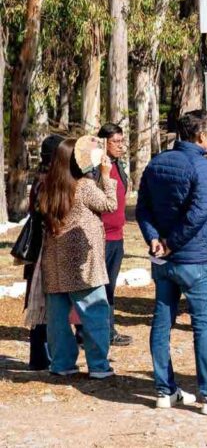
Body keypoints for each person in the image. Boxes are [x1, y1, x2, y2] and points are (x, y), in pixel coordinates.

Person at [137, 109, 207, 414]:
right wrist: (170, 243)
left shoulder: (156, 162)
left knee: (162, 322)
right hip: (194, 258)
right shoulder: (202, 166)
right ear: (202, 135)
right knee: (203, 326)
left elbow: (142, 208)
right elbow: (200, 213)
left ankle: (165, 390)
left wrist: (154, 240)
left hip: (162, 258)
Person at [38, 137, 118, 379]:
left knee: (58, 319)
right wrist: (106, 175)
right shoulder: (83, 186)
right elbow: (110, 205)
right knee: (95, 314)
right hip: (83, 263)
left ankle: (61, 363)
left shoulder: (48, 185)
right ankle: (98, 366)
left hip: (54, 261)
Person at [23, 134, 65, 371]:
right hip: (43, 250)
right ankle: (42, 357)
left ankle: (42, 356)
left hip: (42, 249)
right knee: (43, 305)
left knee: (44, 304)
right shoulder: (47, 182)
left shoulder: (44, 179)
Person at [96, 123, 132, 347]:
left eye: (122, 141)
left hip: (117, 236)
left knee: (110, 287)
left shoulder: (119, 166)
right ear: (103, 144)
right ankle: (92, 331)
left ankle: (108, 330)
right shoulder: (95, 170)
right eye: (115, 142)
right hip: (99, 237)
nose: (121, 146)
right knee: (96, 288)